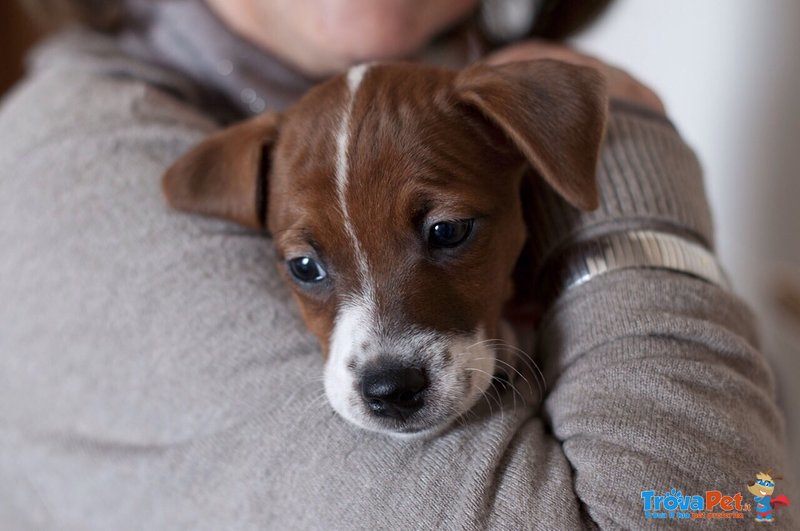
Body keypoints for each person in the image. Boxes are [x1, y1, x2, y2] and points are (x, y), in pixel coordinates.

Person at [0, 0, 794, 528]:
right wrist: (629, 148)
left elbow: (757, 488)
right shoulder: (82, 168)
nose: (381, 358)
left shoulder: (488, 106)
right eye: (309, 269)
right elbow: (713, 509)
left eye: (447, 234)